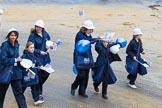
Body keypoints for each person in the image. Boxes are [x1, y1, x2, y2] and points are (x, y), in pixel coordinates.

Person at [0, 28, 27, 108]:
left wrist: (20, 61)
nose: (14, 37)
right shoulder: (5, 45)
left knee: (19, 93)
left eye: (15, 35)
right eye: (12, 35)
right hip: (6, 72)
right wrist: (15, 59)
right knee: (1, 95)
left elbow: (16, 57)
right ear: (8, 36)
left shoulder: (16, 44)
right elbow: (3, 60)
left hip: (15, 73)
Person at [27, 20, 53, 100]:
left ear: (42, 28)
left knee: (46, 74)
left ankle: (36, 89)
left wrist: (51, 46)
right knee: (39, 76)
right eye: (37, 27)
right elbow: (30, 48)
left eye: (39, 27)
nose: (38, 28)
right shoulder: (32, 36)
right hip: (36, 58)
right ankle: (38, 94)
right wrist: (39, 51)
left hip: (45, 58)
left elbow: (49, 43)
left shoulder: (46, 34)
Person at [71, 20, 95, 98]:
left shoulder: (89, 35)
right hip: (79, 57)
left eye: (91, 29)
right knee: (81, 75)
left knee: (86, 76)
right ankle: (74, 86)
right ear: (85, 28)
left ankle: (82, 91)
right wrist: (95, 39)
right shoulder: (79, 35)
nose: (91, 30)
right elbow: (85, 41)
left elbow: (89, 41)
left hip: (87, 56)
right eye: (89, 29)